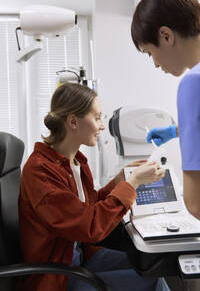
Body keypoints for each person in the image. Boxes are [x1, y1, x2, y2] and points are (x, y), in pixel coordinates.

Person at [18, 82, 168, 291]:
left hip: (80, 258)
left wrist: (121, 180)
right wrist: (132, 184)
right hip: (58, 276)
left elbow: (87, 206)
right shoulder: (40, 171)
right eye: (97, 117)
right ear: (73, 122)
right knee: (153, 282)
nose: (102, 126)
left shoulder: (76, 162)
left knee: (153, 267)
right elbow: (89, 225)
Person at [131, 0, 200, 221]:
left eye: (151, 53)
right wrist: (177, 131)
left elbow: (196, 203)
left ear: (166, 36)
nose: (156, 64)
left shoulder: (193, 84)